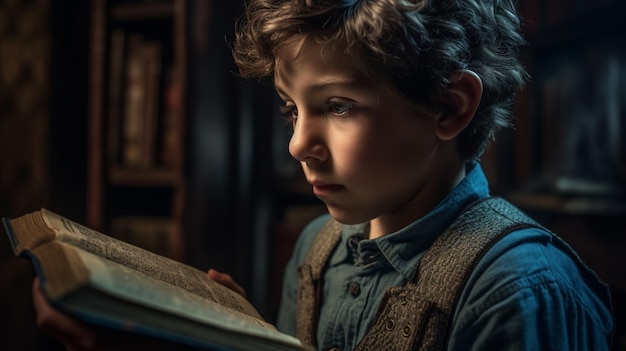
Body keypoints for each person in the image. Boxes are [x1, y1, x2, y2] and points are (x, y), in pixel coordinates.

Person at [32, 0, 614, 350]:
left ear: (449, 106)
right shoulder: (317, 250)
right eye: (291, 108)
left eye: (338, 106)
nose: (297, 145)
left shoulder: (520, 290)